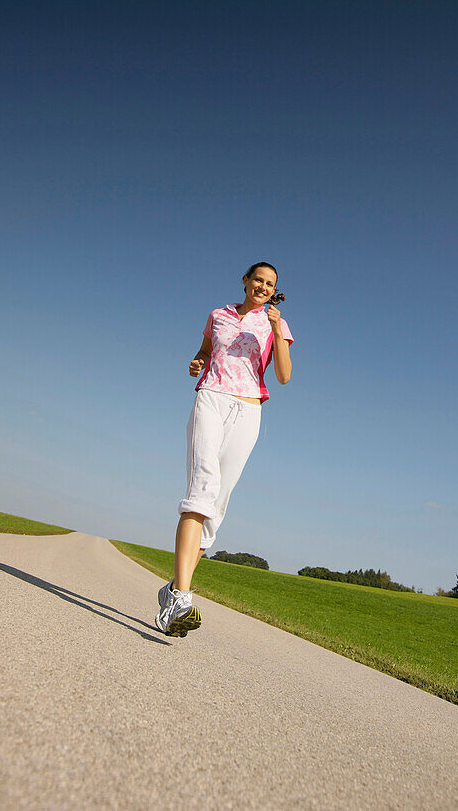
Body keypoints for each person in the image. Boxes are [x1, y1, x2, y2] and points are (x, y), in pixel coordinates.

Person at [155, 261, 294, 636]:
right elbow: (204, 350)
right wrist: (197, 361)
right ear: (245, 282)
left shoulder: (275, 324)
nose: (263, 287)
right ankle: (182, 598)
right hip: (212, 398)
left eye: (270, 284)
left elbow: (283, 375)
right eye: (258, 280)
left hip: (248, 411)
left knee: (216, 509)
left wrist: (278, 330)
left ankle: (172, 591)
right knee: (202, 487)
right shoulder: (218, 315)